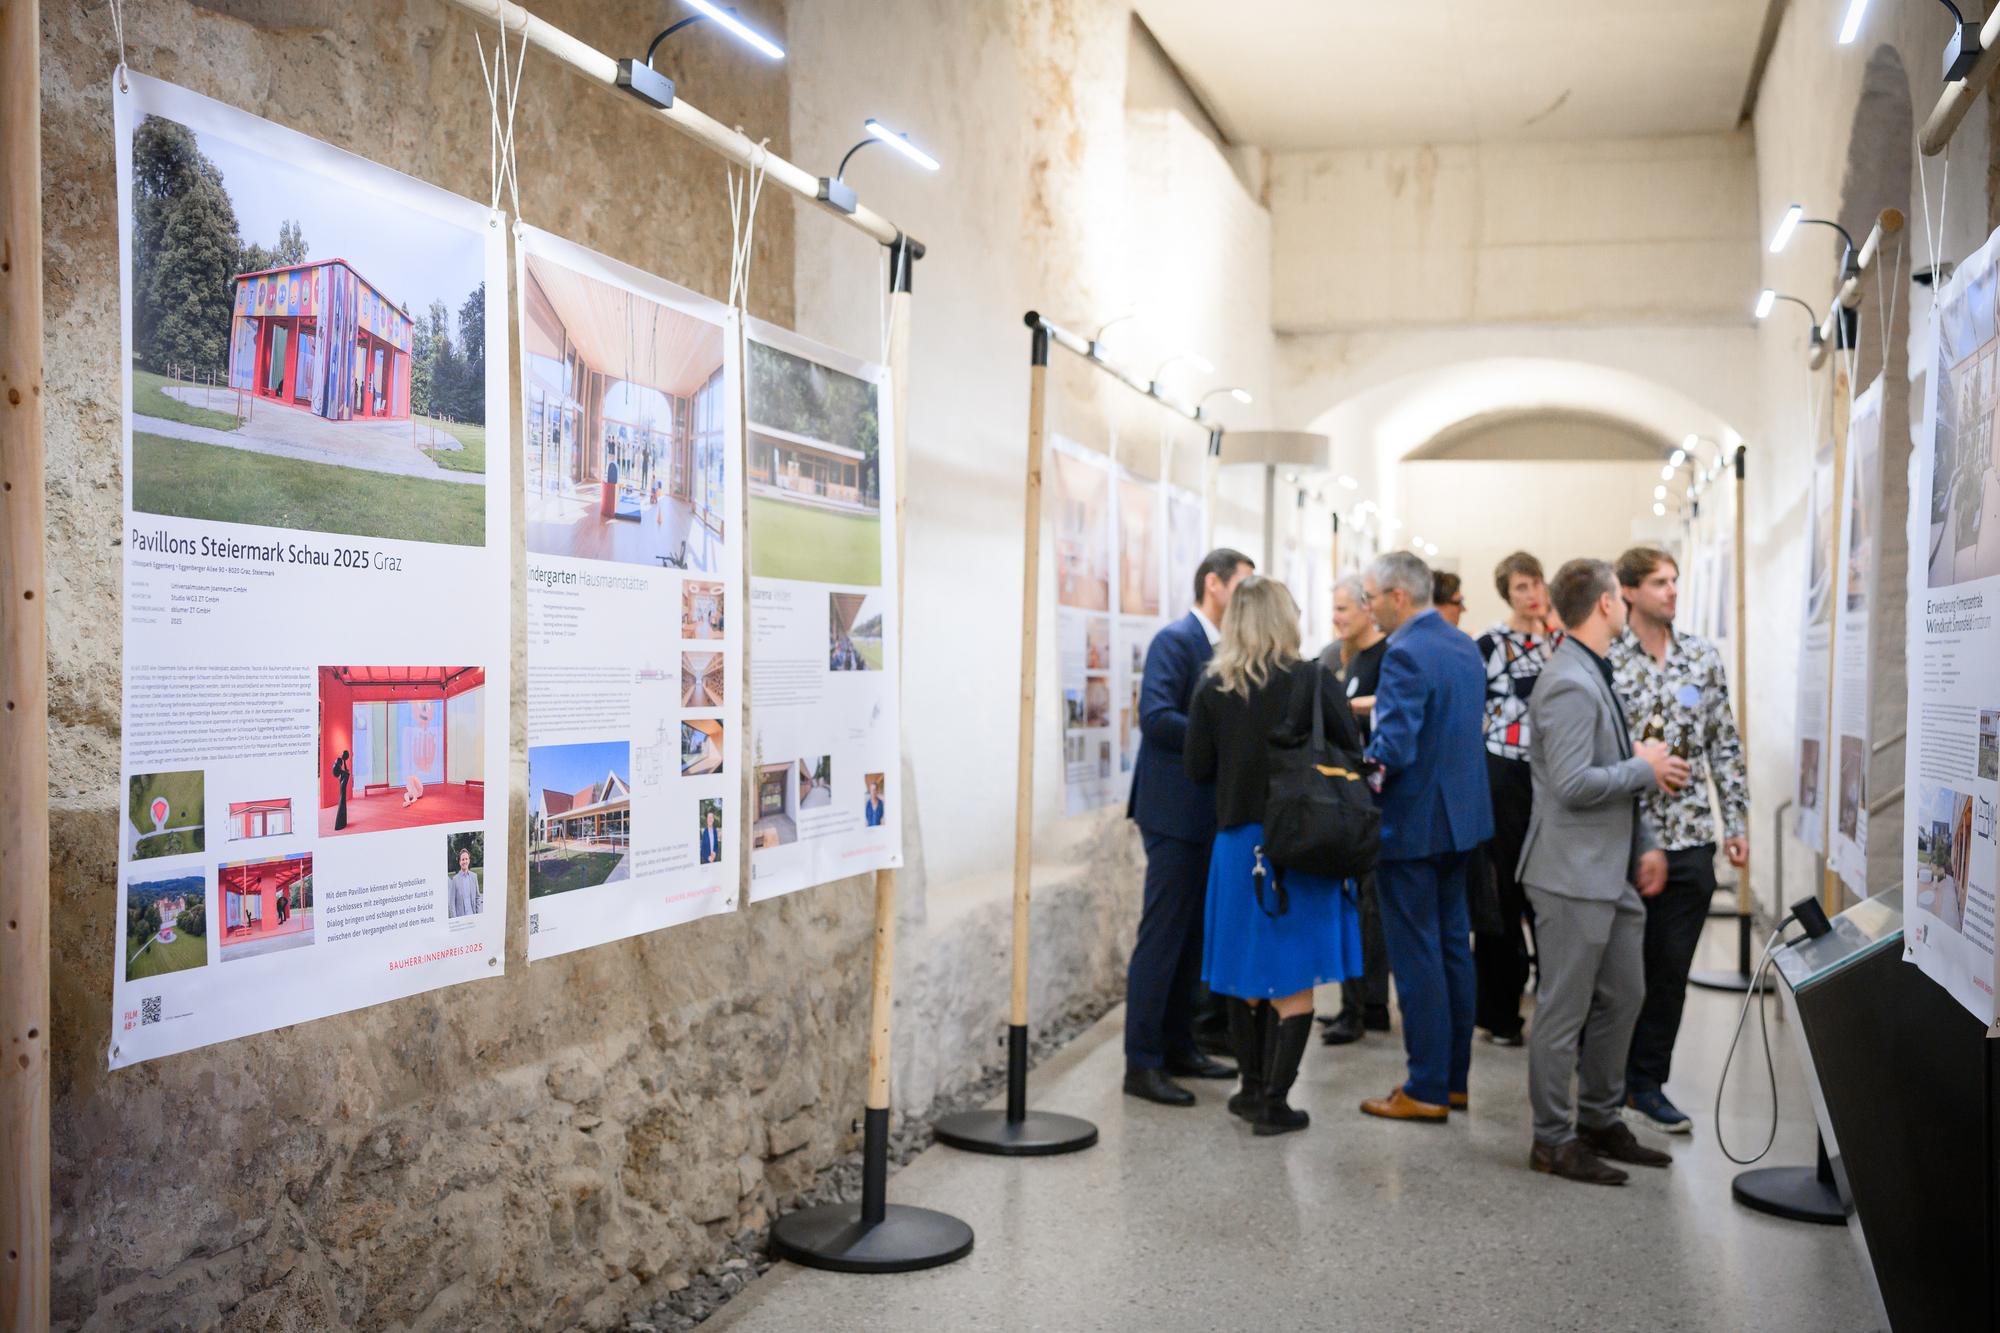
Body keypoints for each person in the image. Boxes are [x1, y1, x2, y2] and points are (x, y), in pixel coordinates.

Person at [1520, 558, 1683, 1185]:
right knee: (1563, 1012)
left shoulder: (1591, 669)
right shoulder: (1568, 680)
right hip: (1570, 874)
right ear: (1608, 604)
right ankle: (1552, 1139)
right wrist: (1645, 768)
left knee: (1625, 995)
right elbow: (1571, 784)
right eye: (1620, 594)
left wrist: (1643, 839)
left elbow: (1601, 769)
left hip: (1608, 871)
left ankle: (1598, 1117)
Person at [1185, 575, 1364, 1135]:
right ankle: (1275, 1104)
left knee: (1243, 972)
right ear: (1286, 619)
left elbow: (1196, 768)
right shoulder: (1312, 679)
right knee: (1294, 978)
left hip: (1239, 846)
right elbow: (1351, 750)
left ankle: (1250, 1089)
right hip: (1303, 841)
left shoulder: (1213, 686)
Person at [1609, 546, 1749, 1135]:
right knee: (1621, 972)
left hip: (1690, 837)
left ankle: (1646, 1083)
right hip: (1623, 838)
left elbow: (1723, 743)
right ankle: (1604, 1079)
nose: (1671, 591)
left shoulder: (1700, 656)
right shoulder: (1608, 658)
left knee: (1670, 971)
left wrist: (1736, 822)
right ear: (1628, 591)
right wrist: (1641, 764)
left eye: (1675, 580)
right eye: (1659, 582)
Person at [1358, 551, 1493, 1122]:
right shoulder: (1462, 644)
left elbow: (1394, 749)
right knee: (1452, 949)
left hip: (1413, 825)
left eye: (1370, 598)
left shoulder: (1405, 652)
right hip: (1461, 823)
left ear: (1398, 596)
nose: (1367, 608)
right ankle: (1453, 1081)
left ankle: (1426, 1088)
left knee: (1416, 957)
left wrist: (1355, 774)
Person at [1122, 547, 1255, 1106]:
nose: (1248, 597)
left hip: (1207, 814)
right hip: (1173, 813)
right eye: (1242, 585)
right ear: (1213, 585)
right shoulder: (1176, 641)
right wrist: (1223, 736)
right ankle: (1142, 1062)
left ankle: (1180, 1045)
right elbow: (1155, 718)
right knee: (1163, 936)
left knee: (1193, 937)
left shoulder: (1225, 646)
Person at [1472, 552, 1563, 1047]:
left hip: (1553, 773)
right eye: (1521, 587)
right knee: (1503, 891)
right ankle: (1500, 1012)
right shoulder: (1489, 643)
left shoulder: (1561, 642)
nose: (1532, 595)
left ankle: (1557, 1008)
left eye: (1536, 584)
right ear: (1507, 593)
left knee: (1549, 891)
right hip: (1503, 771)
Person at [1316, 574, 1392, 1046]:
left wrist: (1347, 707)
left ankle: (1364, 1007)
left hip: (1373, 803)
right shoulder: (1344, 658)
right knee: (1357, 905)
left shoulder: (1388, 657)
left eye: (1344, 608)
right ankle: (1361, 1003)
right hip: (1349, 799)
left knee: (1369, 908)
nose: (1337, 618)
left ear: (1368, 607)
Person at [448, 846, 482, 917]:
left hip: (473, 916)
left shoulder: (474, 876)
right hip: (461, 918)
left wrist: (478, 914)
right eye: (463, 859)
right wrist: (456, 919)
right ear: (460, 862)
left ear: (469, 860)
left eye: (466, 859)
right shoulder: (455, 880)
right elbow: (452, 903)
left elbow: (478, 897)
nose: (465, 861)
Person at [332, 750, 351, 831]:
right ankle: (340, 823)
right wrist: (345, 772)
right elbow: (337, 769)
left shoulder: (342, 760)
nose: (346, 759)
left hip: (339, 774)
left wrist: (345, 771)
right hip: (337, 773)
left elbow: (344, 769)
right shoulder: (339, 760)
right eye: (346, 757)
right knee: (342, 795)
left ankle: (342, 821)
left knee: (343, 795)